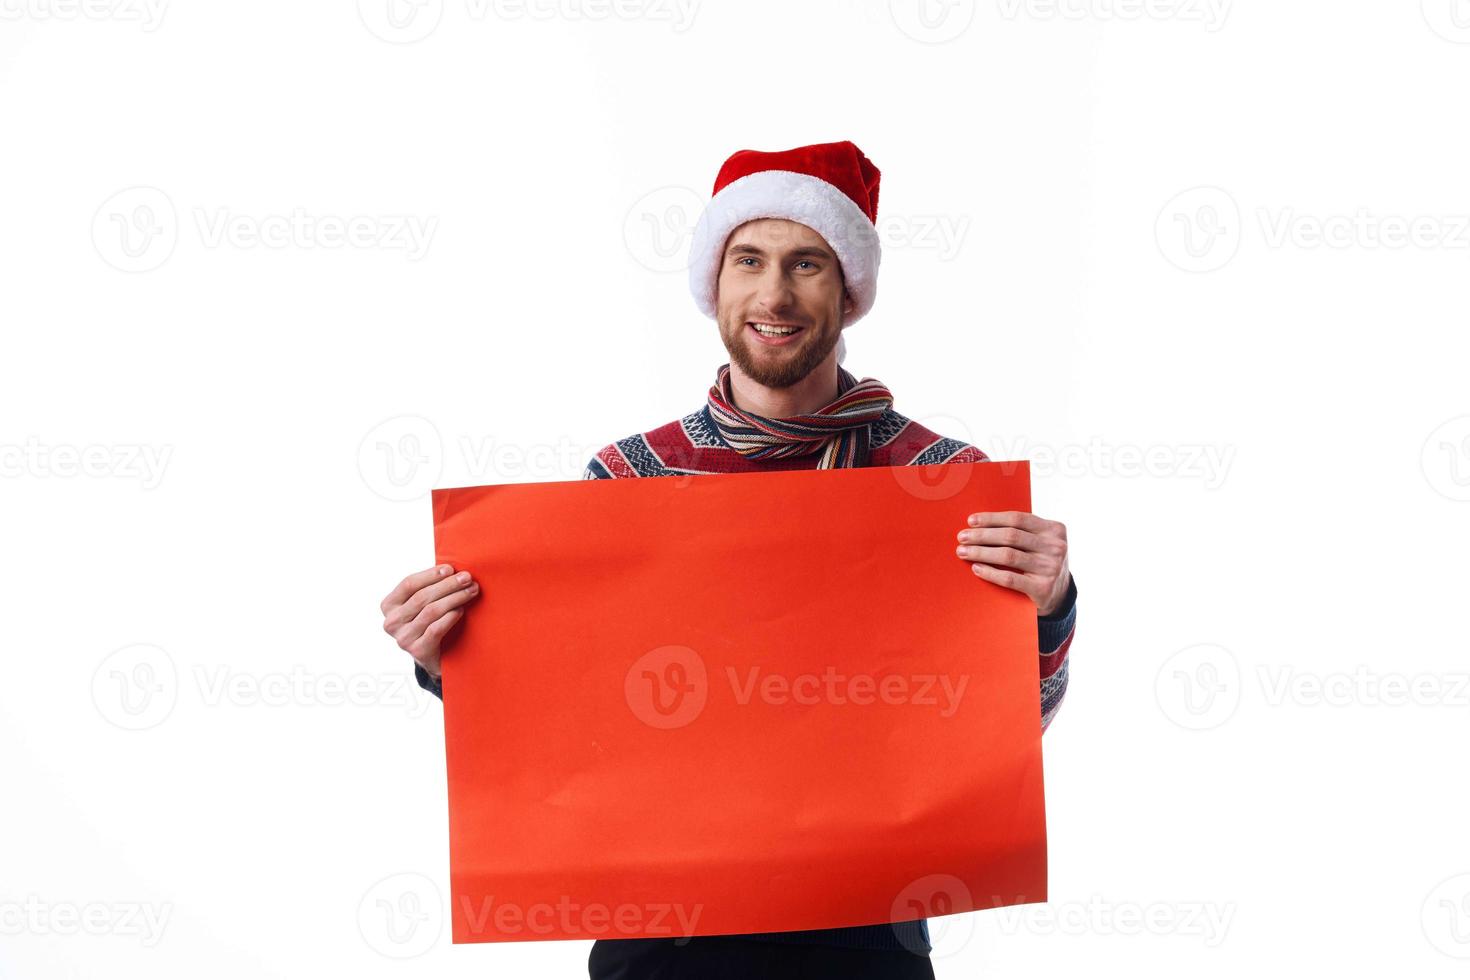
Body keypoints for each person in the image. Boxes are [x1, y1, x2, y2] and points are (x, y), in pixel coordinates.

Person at [379, 140, 1078, 979]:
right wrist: (449, 653)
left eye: (806, 264)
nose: (773, 294)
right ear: (715, 281)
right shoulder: (624, 481)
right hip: (660, 938)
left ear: (849, 290)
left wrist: (1048, 607)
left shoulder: (940, 484)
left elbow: (1009, 729)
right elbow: (568, 719)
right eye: (748, 260)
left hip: (861, 938)